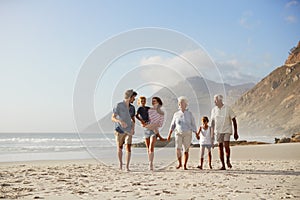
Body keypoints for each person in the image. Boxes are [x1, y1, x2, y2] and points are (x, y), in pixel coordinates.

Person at [167, 96, 197, 170]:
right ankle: (180, 163)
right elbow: (173, 125)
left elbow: (193, 124)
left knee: (186, 150)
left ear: (186, 104)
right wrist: (169, 134)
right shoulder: (176, 114)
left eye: (183, 103)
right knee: (178, 149)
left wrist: (196, 133)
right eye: (180, 103)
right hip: (178, 133)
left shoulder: (189, 114)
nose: (181, 105)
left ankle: (185, 165)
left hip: (187, 133)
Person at [211, 94, 238, 170]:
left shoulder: (228, 108)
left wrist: (236, 132)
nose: (214, 102)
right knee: (220, 147)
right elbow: (212, 123)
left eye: (215, 100)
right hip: (218, 131)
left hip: (227, 130)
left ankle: (228, 161)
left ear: (220, 100)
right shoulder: (214, 110)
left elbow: (234, 120)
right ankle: (223, 165)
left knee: (226, 146)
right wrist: (212, 134)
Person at [111, 89, 137, 171]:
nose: (134, 99)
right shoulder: (118, 105)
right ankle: (121, 164)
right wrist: (120, 121)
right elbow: (113, 117)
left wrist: (133, 128)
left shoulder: (132, 108)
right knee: (120, 148)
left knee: (128, 147)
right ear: (129, 97)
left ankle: (127, 167)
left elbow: (133, 120)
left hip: (129, 130)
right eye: (133, 97)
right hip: (119, 130)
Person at [141, 97, 165, 170]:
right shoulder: (149, 110)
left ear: (158, 102)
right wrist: (143, 123)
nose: (153, 102)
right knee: (148, 148)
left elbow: (160, 124)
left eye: (155, 101)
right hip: (146, 130)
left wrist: (153, 125)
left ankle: (151, 164)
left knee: (151, 147)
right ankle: (149, 161)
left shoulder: (161, 113)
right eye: (152, 101)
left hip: (154, 131)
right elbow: (144, 119)